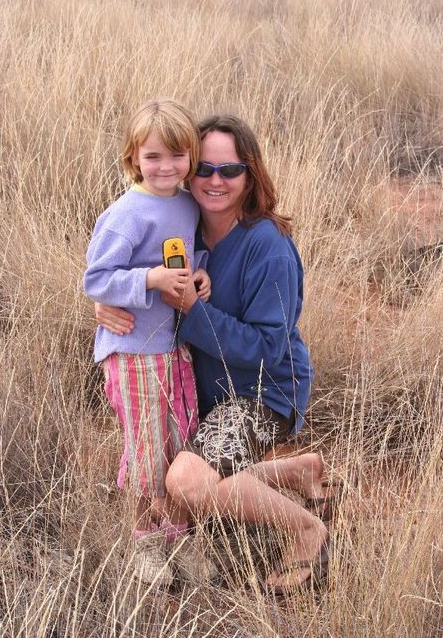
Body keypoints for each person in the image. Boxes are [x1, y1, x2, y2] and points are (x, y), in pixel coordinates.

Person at [95, 114, 331, 593]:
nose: (215, 181)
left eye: (230, 170)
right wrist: (108, 299)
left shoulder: (270, 246)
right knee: (186, 476)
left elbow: (268, 347)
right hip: (203, 390)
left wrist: (191, 311)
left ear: (251, 174)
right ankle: (295, 471)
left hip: (263, 393)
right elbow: (126, 271)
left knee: (185, 482)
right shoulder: (183, 224)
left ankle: (309, 530)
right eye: (204, 168)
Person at [83, 99, 213, 587]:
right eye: (153, 156)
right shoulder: (126, 213)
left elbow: (185, 250)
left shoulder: (183, 202)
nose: (166, 167)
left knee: (179, 440)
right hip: (134, 350)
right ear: (133, 156)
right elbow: (96, 279)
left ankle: (178, 533)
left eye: (177, 157)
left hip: (173, 347)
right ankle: (144, 541)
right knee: (147, 449)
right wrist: (151, 280)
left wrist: (198, 271)